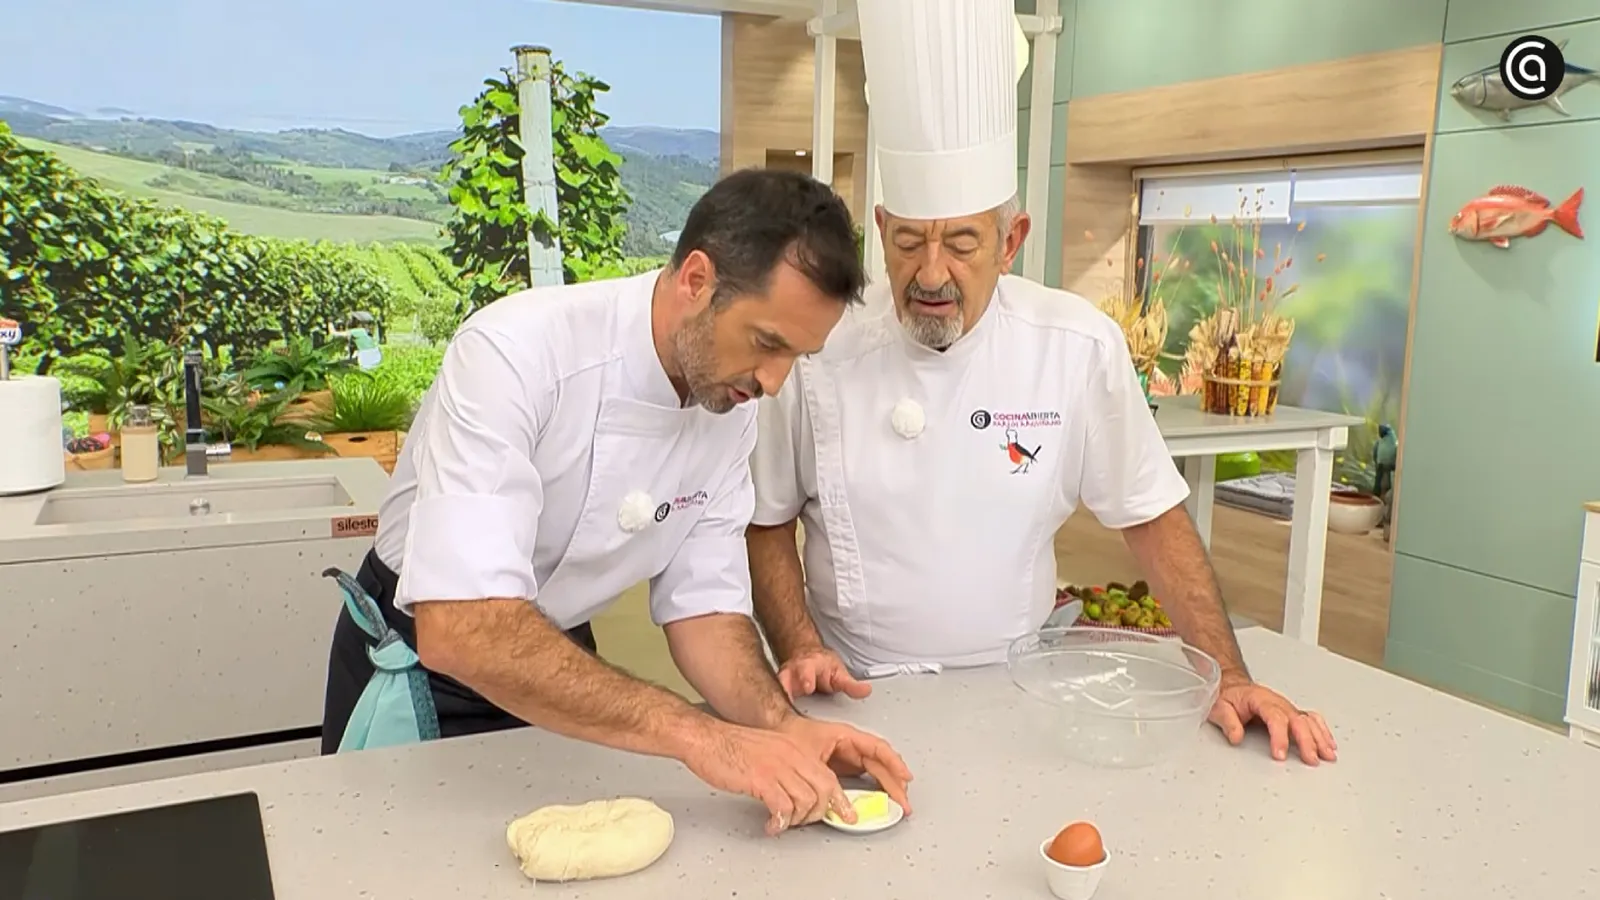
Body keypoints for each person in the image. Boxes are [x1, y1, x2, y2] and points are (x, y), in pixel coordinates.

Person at [746, 0, 1337, 767]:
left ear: (1012, 240)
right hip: (849, 694)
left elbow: (1152, 517)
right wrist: (799, 647)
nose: (931, 273)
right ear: (881, 231)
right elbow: (766, 520)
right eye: (908, 242)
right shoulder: (819, 345)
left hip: (1019, 693)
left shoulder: (1074, 345)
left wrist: (1229, 675)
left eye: (963, 244)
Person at [321, 168, 913, 835]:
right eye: (767, 343)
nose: (774, 383)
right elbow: (462, 627)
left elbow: (706, 611)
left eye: (797, 357)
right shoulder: (512, 353)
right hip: (421, 672)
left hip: (558, 662)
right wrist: (703, 738)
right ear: (697, 280)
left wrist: (785, 727)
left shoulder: (730, 403)